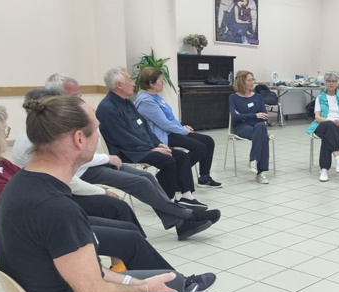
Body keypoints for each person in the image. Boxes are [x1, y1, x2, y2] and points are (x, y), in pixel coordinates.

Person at [0, 95, 218, 292]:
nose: (99, 137)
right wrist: (143, 289)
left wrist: (133, 281)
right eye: (96, 130)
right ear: (79, 139)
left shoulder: (24, 184)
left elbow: (89, 272)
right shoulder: (57, 207)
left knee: (174, 281)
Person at [15, 86, 219, 241]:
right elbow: (77, 162)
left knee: (146, 176)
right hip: (82, 174)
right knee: (141, 183)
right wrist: (107, 160)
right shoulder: (35, 139)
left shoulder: (48, 131)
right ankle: (184, 217)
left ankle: (181, 221)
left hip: (89, 166)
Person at [96, 68, 211, 208]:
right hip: (128, 151)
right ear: (119, 85)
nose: (134, 84)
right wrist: (152, 148)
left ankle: (187, 196)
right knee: (168, 160)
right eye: (130, 80)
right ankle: (168, 201)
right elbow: (123, 137)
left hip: (142, 146)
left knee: (180, 156)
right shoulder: (108, 107)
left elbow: (144, 126)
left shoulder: (127, 103)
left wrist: (158, 143)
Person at [135, 67, 222, 188]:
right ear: (151, 83)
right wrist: (183, 131)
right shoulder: (145, 101)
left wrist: (182, 127)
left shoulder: (155, 96)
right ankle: (173, 175)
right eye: (161, 80)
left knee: (208, 141)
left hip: (169, 132)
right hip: (161, 137)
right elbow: (164, 123)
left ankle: (204, 177)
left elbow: (169, 118)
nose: (164, 83)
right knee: (200, 148)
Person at [306, 71, 339, 182]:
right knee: (329, 125)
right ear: (325, 83)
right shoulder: (320, 98)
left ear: (337, 83)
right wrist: (331, 121)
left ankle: (324, 170)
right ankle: (337, 158)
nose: (331, 83)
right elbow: (317, 117)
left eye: (333, 81)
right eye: (329, 81)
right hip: (322, 125)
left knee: (327, 137)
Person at [228, 70, 270, 184]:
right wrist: (255, 115)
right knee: (263, 136)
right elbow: (235, 117)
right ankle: (260, 173)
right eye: (249, 80)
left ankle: (254, 161)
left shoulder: (258, 97)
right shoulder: (233, 97)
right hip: (242, 127)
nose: (252, 82)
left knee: (261, 128)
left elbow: (265, 116)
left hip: (257, 126)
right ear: (242, 82)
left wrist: (242, 115)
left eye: (253, 79)